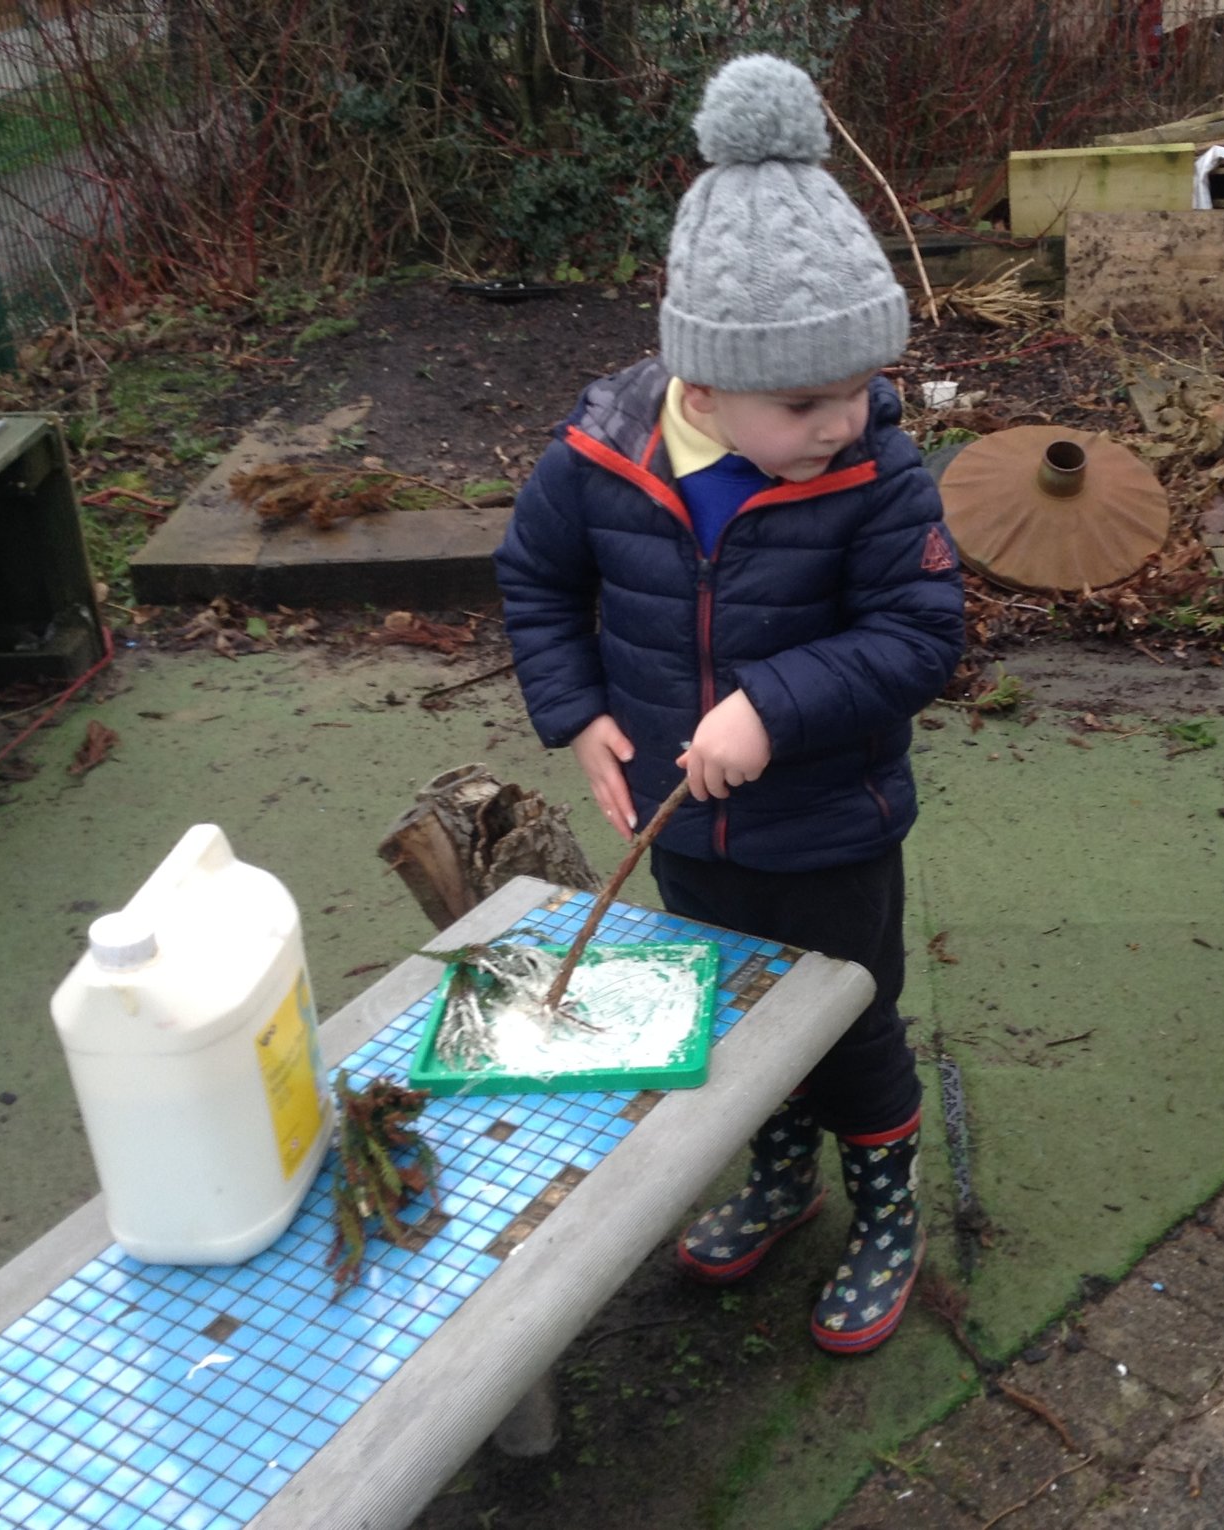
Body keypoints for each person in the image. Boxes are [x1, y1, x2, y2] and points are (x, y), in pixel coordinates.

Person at [494, 54, 964, 1352]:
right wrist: (577, 708)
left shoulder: (875, 473)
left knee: (849, 1019)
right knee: (730, 1005)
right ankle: (778, 1166)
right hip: (686, 826)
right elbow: (536, 578)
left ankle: (883, 1201)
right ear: (701, 388)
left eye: (864, 383)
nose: (848, 417)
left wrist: (773, 703)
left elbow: (923, 633)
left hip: (832, 823)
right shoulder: (602, 454)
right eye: (808, 399)